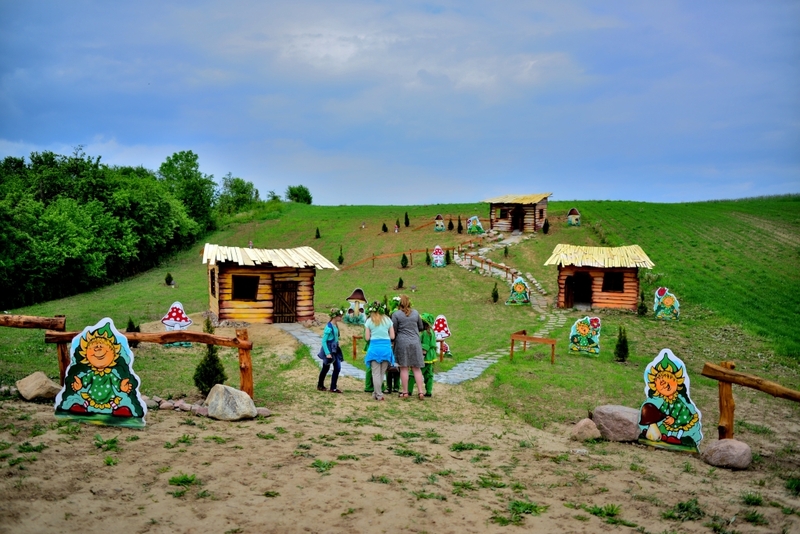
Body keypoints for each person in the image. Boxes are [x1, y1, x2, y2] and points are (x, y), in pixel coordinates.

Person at [391, 295, 426, 400]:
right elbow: (420, 327)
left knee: (404, 368)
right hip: (415, 342)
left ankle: (405, 392)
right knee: (416, 368)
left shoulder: (395, 314)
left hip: (402, 343)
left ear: (399, 304)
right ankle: (420, 392)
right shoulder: (415, 313)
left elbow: (394, 329)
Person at [363, 301, 395, 401]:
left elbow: (367, 338)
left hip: (374, 348)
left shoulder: (369, 321)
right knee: (381, 373)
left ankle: (379, 394)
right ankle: (376, 393)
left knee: (375, 373)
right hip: (386, 348)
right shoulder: (388, 320)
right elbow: (392, 336)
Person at [409, 313, 437, 397]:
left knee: (413, 373)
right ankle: (429, 391)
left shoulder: (425, 333)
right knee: (429, 375)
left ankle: (408, 390)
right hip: (431, 356)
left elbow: (425, 346)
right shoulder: (431, 331)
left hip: (425, 357)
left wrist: (421, 357)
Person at [317, 308, 344, 393]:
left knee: (337, 367)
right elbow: (324, 341)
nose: (341, 318)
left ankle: (333, 387)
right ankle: (320, 385)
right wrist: (327, 353)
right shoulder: (328, 327)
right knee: (326, 368)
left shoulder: (336, 325)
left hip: (335, 349)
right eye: (340, 316)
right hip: (329, 349)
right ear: (335, 317)